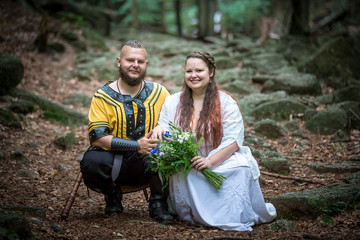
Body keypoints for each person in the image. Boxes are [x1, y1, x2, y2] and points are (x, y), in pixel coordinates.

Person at [152, 52, 277, 231]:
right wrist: (159, 129)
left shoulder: (225, 102)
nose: (193, 75)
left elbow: (234, 139)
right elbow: (164, 126)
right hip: (188, 162)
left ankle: (232, 214)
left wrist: (210, 161)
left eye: (199, 70)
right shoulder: (172, 102)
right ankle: (197, 212)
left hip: (220, 157)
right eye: (189, 71)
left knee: (241, 168)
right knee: (184, 171)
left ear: (211, 72)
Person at [80, 40, 173, 224]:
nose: (135, 65)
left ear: (145, 65)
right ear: (119, 62)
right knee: (92, 162)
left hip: (148, 164)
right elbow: (97, 137)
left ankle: (158, 203)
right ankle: (112, 194)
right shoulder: (103, 96)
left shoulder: (159, 92)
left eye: (140, 61)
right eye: (130, 60)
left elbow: (174, 121)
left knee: (163, 151)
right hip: (114, 162)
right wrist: (136, 145)